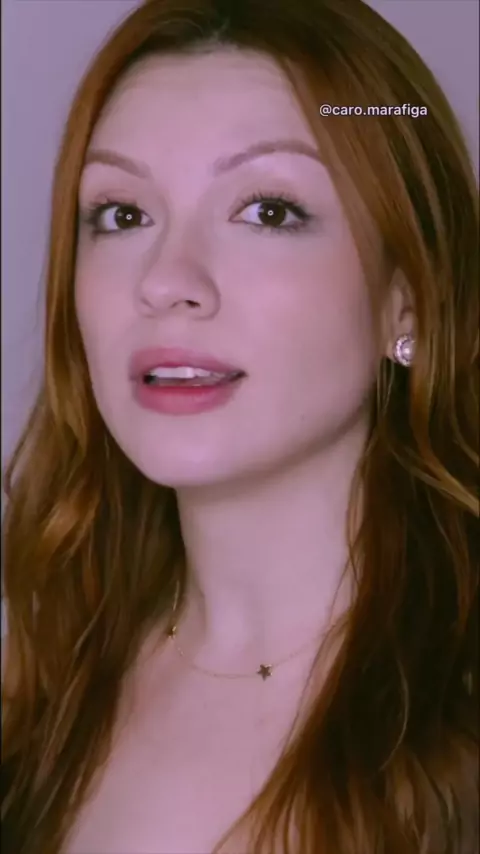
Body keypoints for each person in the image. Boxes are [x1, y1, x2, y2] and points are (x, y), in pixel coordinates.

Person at [1, 1, 478, 852]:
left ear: (406, 297)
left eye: (267, 210)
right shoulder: (39, 688)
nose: (166, 281)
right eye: (122, 214)